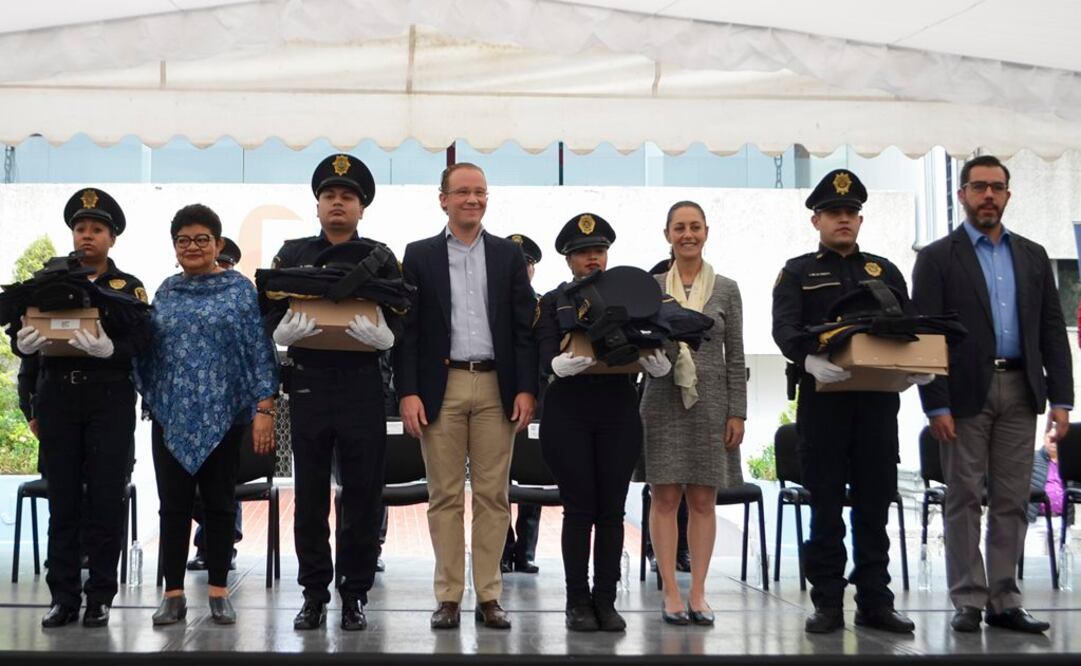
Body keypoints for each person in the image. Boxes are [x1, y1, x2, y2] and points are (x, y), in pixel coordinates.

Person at [912, 154, 1073, 634]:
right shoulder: (938, 257)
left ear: (1007, 195)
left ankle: (1004, 597)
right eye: (979, 186)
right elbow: (927, 336)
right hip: (962, 396)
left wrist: (1061, 399)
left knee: (1011, 498)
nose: (988, 195)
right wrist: (935, 403)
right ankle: (968, 598)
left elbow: (1050, 331)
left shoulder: (1032, 255)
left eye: (997, 187)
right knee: (963, 496)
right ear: (962, 194)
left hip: (1022, 389)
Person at [772, 170, 919, 635]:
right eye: (835, 213)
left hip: (877, 404)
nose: (844, 220)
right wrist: (808, 359)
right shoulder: (798, 271)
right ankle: (828, 603)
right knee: (827, 506)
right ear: (816, 219)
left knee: (875, 507)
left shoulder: (885, 270)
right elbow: (784, 329)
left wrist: (913, 367)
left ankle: (876, 601)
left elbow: (908, 326)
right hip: (824, 402)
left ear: (860, 219)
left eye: (851, 213)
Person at [262, 153, 402, 631]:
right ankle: (314, 593)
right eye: (329, 196)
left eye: (347, 197)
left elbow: (404, 316)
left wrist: (388, 338)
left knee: (364, 495)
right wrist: (281, 332)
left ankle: (355, 593)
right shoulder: (293, 253)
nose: (337, 203)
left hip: (363, 383)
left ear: (361, 209)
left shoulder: (381, 258)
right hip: (309, 383)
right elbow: (267, 307)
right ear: (317, 205)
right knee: (310, 495)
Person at [395, 162, 538, 630]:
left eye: (479, 192)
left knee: (494, 496)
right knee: (445, 497)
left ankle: (491, 596)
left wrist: (526, 388)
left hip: (498, 385)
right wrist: (409, 392)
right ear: (443, 199)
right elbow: (407, 331)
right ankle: (449, 596)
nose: (472, 200)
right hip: (443, 386)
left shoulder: (507, 255)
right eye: (462, 192)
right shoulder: (419, 255)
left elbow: (523, 329)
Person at [10, 188, 150, 628]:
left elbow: (144, 341)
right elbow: (25, 347)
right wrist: (28, 399)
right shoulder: (47, 281)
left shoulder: (127, 288)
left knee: (107, 498)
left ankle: (100, 596)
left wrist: (113, 348)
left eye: (97, 230)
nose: (87, 236)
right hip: (58, 399)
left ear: (112, 238)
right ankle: (63, 596)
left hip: (108, 398)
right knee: (63, 500)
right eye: (80, 229)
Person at [136, 204, 278, 626]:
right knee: (173, 507)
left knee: (218, 504)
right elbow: (148, 346)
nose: (192, 247)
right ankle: (173, 594)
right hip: (172, 415)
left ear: (217, 244)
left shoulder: (239, 290)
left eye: (202, 239)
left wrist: (264, 406)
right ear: (175, 247)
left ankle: (218, 591)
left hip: (225, 414)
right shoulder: (165, 290)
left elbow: (257, 348)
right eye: (184, 240)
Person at [535, 212, 672, 632]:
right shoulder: (552, 301)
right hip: (568, 410)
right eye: (582, 254)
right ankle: (577, 600)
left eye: (598, 251)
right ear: (569, 260)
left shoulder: (629, 295)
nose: (592, 260)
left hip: (617, 408)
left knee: (612, 511)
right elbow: (539, 353)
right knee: (578, 510)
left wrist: (659, 361)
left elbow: (658, 335)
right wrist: (554, 365)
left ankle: (605, 600)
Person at [639, 201, 747, 626]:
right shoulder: (649, 285)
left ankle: (698, 592)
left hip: (712, 402)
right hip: (662, 398)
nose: (688, 234)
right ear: (667, 234)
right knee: (664, 497)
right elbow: (639, 341)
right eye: (679, 227)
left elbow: (735, 355)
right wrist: (650, 359)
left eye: (695, 227)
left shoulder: (726, 288)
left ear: (706, 232)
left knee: (704, 498)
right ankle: (669, 590)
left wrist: (737, 411)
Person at [187, 236, 245, 572]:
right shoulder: (180, 294)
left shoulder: (240, 299)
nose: (221, 269)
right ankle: (206, 542)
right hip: (192, 407)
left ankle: (220, 547)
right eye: (218, 262)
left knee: (225, 482)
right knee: (193, 483)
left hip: (229, 409)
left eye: (227, 264)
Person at [502, 232, 544, 575]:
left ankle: (525, 551)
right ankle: (502, 548)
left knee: (531, 478)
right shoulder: (491, 306)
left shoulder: (543, 306)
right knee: (496, 479)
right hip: (496, 397)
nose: (521, 269)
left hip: (535, 401)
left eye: (526, 263)